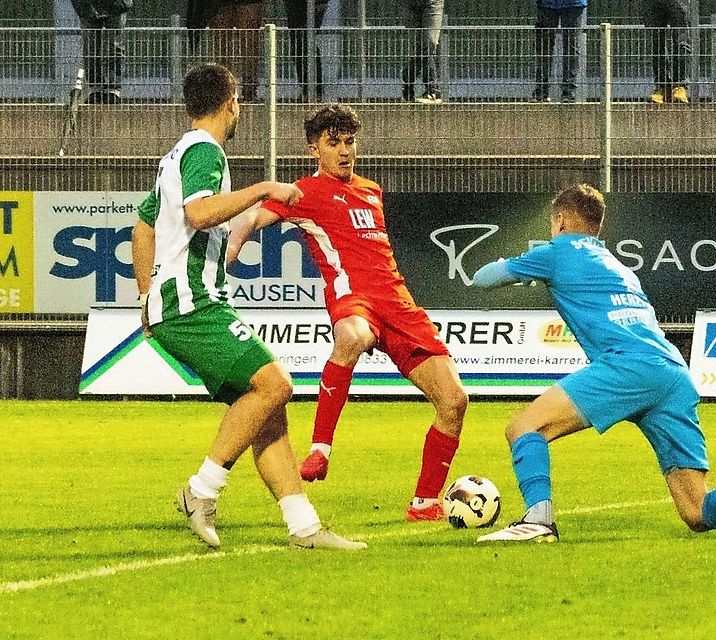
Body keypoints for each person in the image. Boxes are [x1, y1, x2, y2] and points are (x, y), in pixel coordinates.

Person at [470, 184, 716, 543]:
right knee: (697, 510)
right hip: (672, 372)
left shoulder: (557, 251)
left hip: (628, 367)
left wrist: (519, 267)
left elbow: (482, 279)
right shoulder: (617, 266)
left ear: (561, 220)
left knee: (524, 427)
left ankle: (538, 521)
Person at [132, 63, 365, 551]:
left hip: (178, 303)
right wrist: (264, 187)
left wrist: (143, 294)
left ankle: (305, 528)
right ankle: (201, 491)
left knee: (268, 411)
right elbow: (198, 213)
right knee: (275, 383)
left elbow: (145, 225)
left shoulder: (175, 154)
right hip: (191, 304)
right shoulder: (204, 151)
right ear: (231, 101)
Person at [227, 104, 468, 522]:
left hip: (400, 305)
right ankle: (321, 449)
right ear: (313, 148)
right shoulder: (305, 192)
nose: (344, 151)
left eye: (349, 142)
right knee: (353, 336)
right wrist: (232, 248)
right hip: (353, 298)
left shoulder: (372, 190)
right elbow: (252, 216)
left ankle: (425, 504)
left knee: (455, 402)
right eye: (333, 143)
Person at [70, 0, 131, 104]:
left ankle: (113, 90)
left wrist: (122, 3)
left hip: (115, 5)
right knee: (91, 49)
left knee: (115, 48)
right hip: (88, 6)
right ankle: (95, 90)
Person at [532, 0, 587, 103]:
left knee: (571, 48)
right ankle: (541, 91)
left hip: (573, 4)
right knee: (544, 47)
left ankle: (568, 92)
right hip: (546, 5)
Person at [641, 0, 691, 104]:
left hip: (678, 2)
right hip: (653, 4)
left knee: (681, 42)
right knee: (657, 43)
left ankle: (680, 86)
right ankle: (661, 87)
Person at [284, 0, 329, 101]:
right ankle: (308, 88)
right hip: (297, 4)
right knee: (298, 41)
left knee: (306, 40)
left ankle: (314, 90)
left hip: (313, 3)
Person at [402, 0, 445, 104]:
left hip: (433, 3)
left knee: (429, 44)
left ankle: (432, 92)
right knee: (417, 48)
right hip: (410, 4)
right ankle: (408, 86)